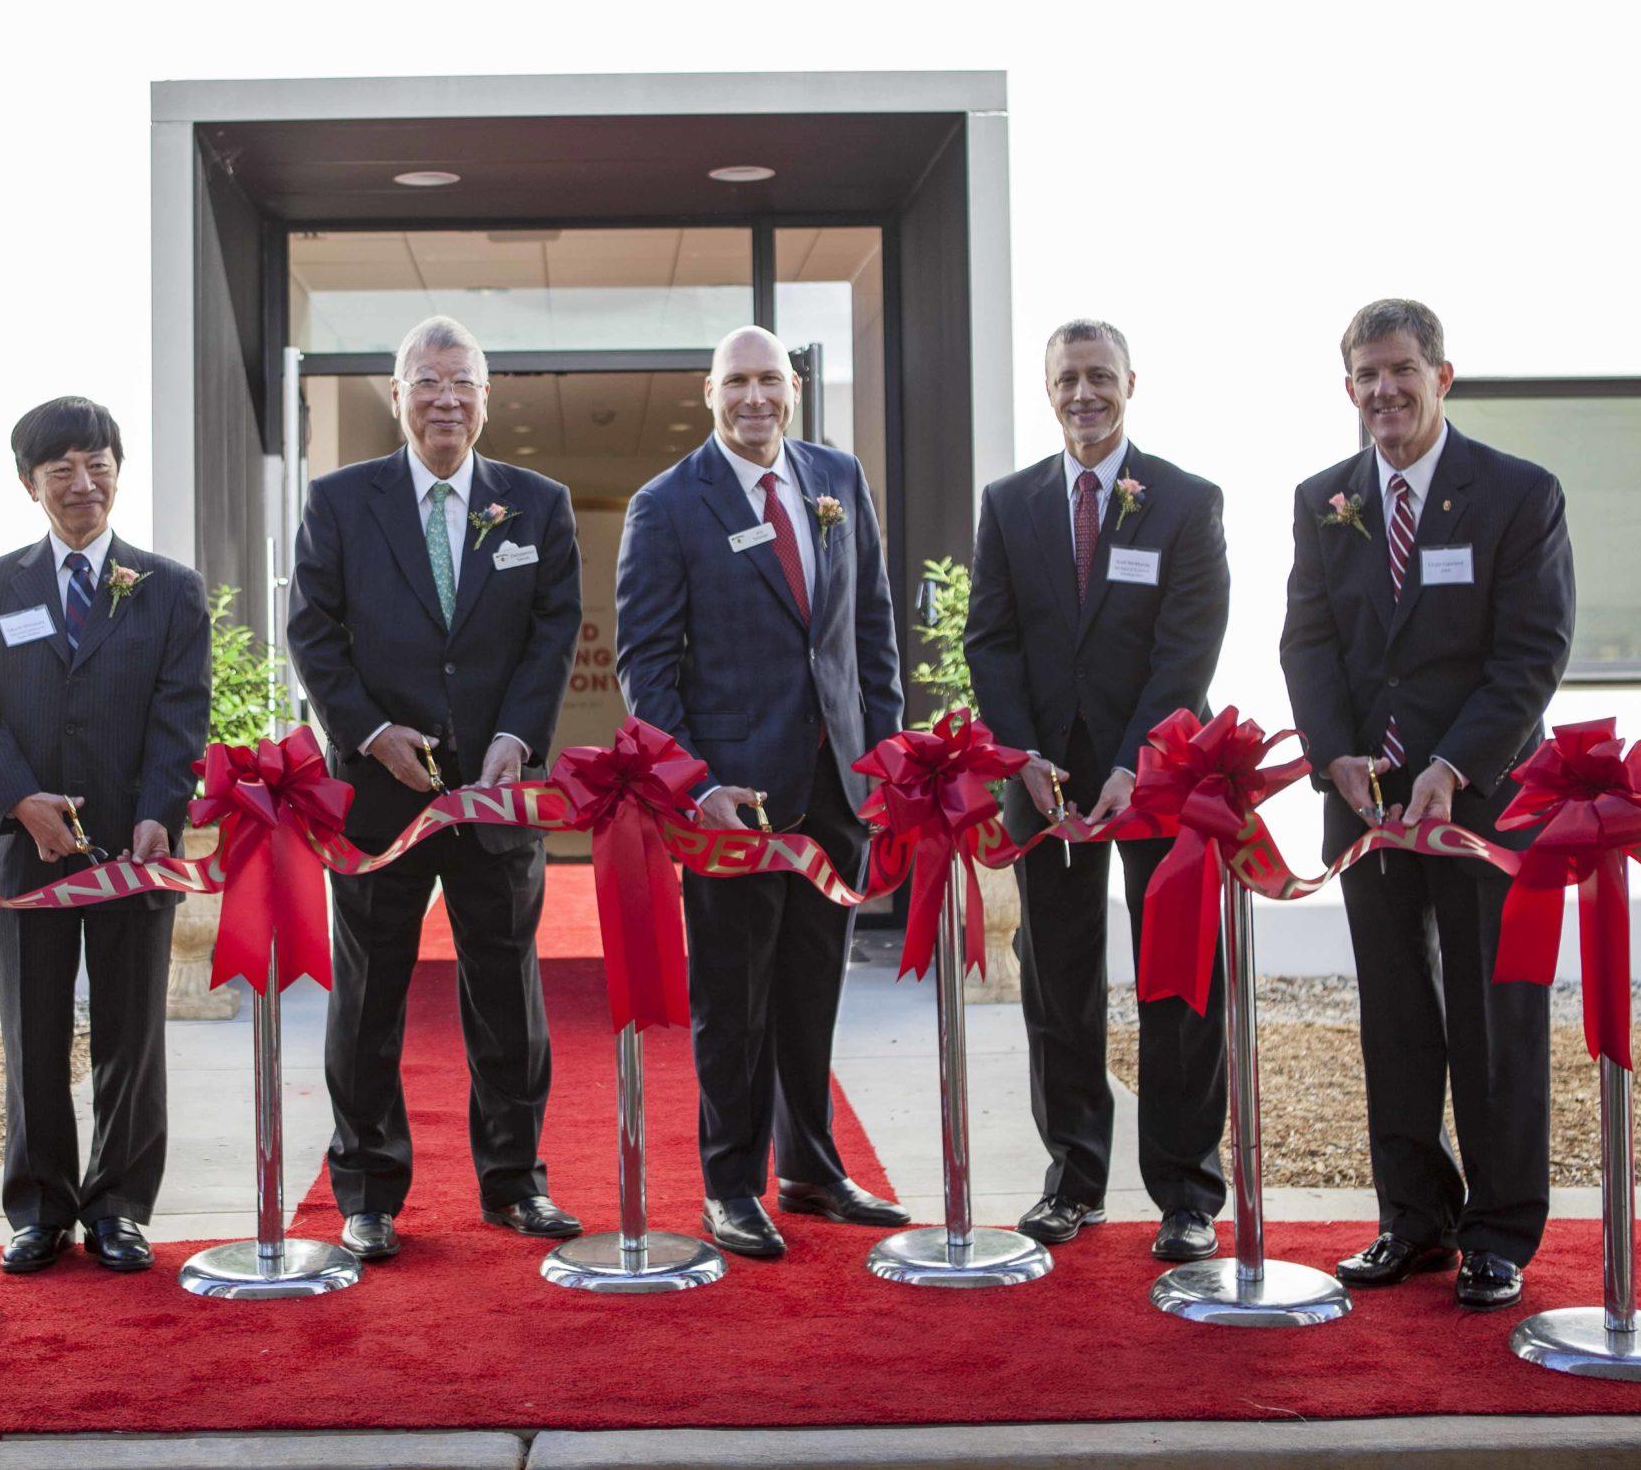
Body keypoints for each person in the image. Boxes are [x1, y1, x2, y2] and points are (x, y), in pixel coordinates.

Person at [1279, 298, 1574, 1310]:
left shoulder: (1517, 494)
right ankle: (1413, 1219)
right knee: (1394, 1018)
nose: (1383, 390)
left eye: (1400, 370)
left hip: (1482, 806)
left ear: (1442, 376)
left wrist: (1456, 762)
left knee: (1495, 1020)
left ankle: (1498, 1232)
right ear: (1348, 386)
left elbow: (1530, 653)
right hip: (1370, 815)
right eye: (1365, 374)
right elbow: (1308, 644)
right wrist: (1334, 758)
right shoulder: (1323, 500)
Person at [287, 316, 584, 1260]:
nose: (444, 399)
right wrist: (370, 734)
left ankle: (514, 1182)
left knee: (508, 990)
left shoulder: (537, 504)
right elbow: (313, 633)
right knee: (369, 994)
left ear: (487, 399)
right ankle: (368, 1191)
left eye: (462, 383)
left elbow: (553, 631)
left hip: (496, 794)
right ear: (397, 395)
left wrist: (513, 738)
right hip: (379, 798)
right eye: (426, 381)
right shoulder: (338, 502)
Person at [613, 325, 907, 1260]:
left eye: (770, 381)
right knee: (732, 996)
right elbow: (646, 667)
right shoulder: (667, 506)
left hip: (835, 785)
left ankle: (811, 1167)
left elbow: (870, 630)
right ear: (708, 391)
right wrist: (695, 784)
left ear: (795, 386)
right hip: (733, 797)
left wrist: (885, 756)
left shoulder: (839, 478)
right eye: (735, 381)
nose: (755, 398)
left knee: (814, 986)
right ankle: (729, 1184)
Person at [964, 319, 1232, 1261]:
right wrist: (1020, 754)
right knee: (1059, 983)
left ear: (1130, 383)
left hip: (1153, 779)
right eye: (1068, 378)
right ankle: (1073, 1180)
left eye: (1100, 377)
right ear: (1048, 389)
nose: (1085, 393)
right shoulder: (1009, 503)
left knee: (1179, 984)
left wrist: (1134, 761)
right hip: (1044, 786)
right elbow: (988, 640)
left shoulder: (1186, 503)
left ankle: (1188, 1194)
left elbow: (1186, 647)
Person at [0, 396, 209, 1276]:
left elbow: (182, 715)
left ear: (117, 471)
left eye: (96, 461)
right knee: (34, 1032)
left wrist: (157, 811)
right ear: (31, 482)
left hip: (133, 852)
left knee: (131, 1033)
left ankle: (121, 1205)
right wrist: (21, 800)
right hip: (26, 853)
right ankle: (38, 1207)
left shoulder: (168, 586)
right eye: (60, 466)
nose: (81, 481)